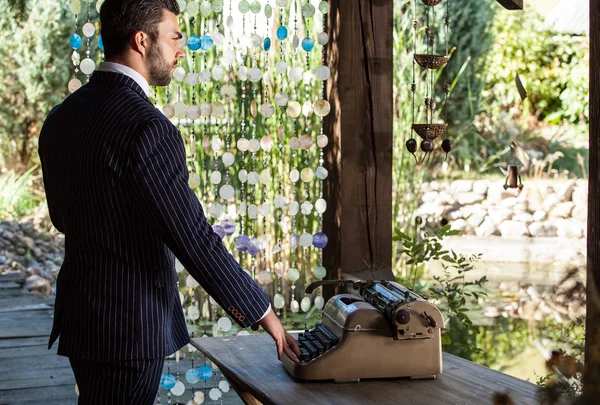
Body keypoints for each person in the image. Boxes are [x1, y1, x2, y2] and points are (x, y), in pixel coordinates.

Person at [38, 0, 300, 403]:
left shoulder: (61, 116)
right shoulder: (147, 127)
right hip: (129, 327)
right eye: (175, 36)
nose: (182, 50)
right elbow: (194, 239)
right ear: (141, 41)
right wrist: (263, 313)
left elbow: (63, 217)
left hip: (83, 317)